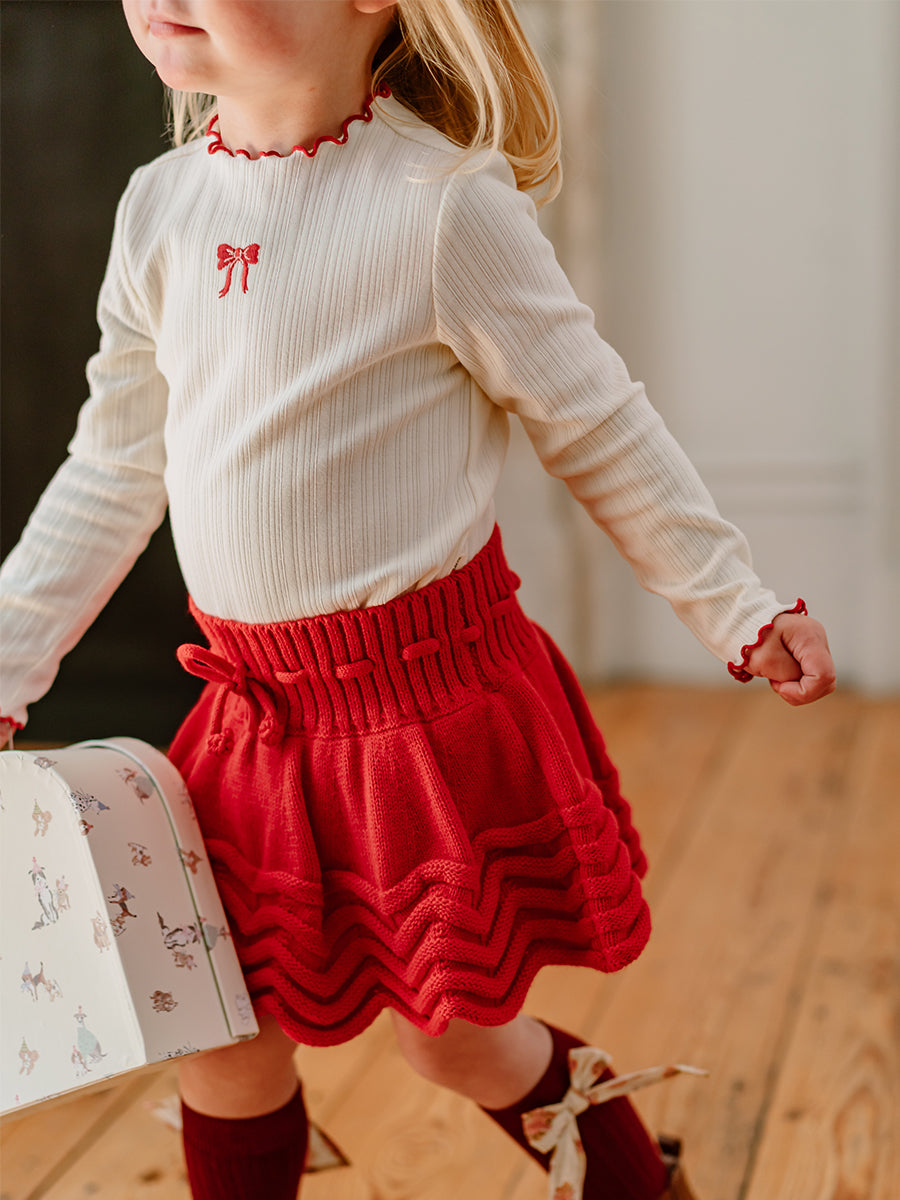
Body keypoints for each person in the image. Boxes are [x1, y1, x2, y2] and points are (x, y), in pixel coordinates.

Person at [0, 2, 836, 1198]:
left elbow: (596, 424)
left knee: (455, 1042)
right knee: (223, 1039)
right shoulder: (160, 207)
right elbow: (113, 465)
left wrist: (735, 604)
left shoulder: (441, 205)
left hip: (420, 719)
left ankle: (633, 1182)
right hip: (253, 721)